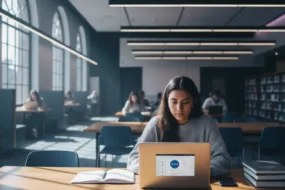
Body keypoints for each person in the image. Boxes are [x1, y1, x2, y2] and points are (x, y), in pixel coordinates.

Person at [127, 76, 230, 177]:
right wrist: (163, 170)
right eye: (174, 102)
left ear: (193, 102)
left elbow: (223, 159)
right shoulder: (156, 124)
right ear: (167, 102)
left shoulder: (207, 123)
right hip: (161, 181)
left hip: (196, 180)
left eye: (185, 102)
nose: (179, 108)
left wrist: (194, 172)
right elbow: (133, 159)